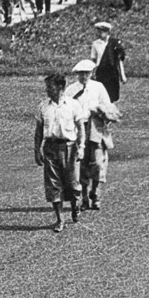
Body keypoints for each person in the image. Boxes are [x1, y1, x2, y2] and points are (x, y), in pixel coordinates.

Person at [34, 73, 85, 233]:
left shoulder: (73, 105)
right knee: (53, 184)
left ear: (60, 88)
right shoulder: (43, 106)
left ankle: (76, 206)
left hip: (69, 147)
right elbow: (38, 131)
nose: (47, 90)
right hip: (50, 147)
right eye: (47, 87)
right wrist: (37, 150)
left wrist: (81, 146)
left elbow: (81, 127)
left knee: (73, 183)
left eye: (50, 87)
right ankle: (60, 219)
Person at [65, 61, 117, 211]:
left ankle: (95, 193)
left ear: (91, 73)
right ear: (76, 74)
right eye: (81, 73)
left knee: (98, 162)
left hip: (96, 127)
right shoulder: (71, 90)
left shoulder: (98, 87)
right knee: (81, 163)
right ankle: (84, 198)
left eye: (86, 73)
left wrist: (100, 111)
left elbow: (108, 107)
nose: (84, 76)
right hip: (78, 128)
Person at [90, 22, 127, 103]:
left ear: (108, 32)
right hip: (101, 72)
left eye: (103, 31)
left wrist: (122, 75)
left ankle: (110, 112)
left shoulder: (115, 43)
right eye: (99, 31)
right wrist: (92, 73)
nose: (100, 33)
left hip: (112, 72)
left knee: (112, 95)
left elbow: (119, 60)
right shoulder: (95, 44)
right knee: (101, 94)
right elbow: (94, 60)